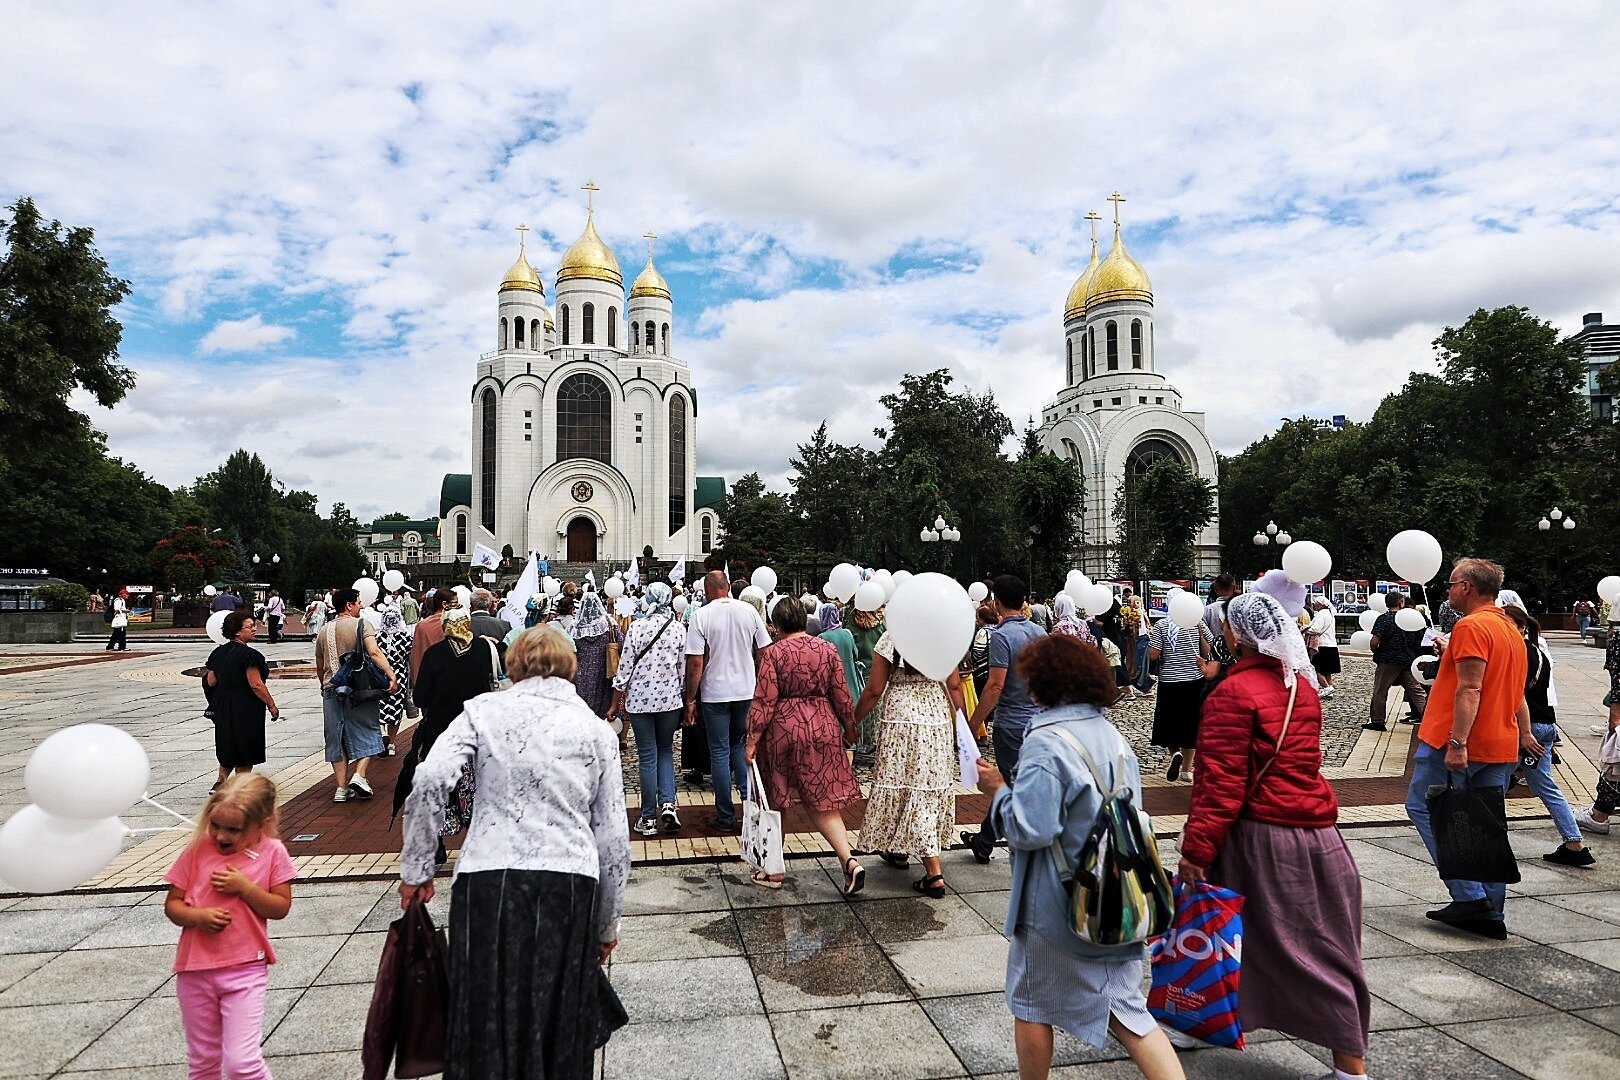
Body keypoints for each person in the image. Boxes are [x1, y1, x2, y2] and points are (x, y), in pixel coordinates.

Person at [399, 626, 629, 1078]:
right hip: (567, 878)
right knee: (560, 1019)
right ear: (571, 665)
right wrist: (607, 922)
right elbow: (613, 839)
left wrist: (419, 868)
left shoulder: (482, 711)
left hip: (488, 874)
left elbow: (427, 779)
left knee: (483, 1013)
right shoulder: (595, 730)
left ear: (513, 664)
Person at [1178, 592, 1371, 1080]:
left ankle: (1352, 1068)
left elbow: (1219, 784)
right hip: (1317, 831)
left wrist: (1196, 850)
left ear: (1237, 635)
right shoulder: (1300, 687)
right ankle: (1200, 1017)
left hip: (1262, 836)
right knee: (1284, 939)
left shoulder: (1232, 694)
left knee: (1287, 947)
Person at [976, 636, 1185, 1080]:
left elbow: (1031, 829)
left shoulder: (1046, 742)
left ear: (1044, 683)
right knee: (1129, 1013)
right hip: (1119, 889)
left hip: (1059, 901)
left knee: (1032, 1003)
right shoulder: (1111, 735)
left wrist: (998, 793)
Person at [1405, 558, 1535, 939]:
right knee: (1487, 824)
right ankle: (1491, 909)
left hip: (1460, 742)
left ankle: (1469, 897)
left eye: (1451, 583)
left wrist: (1457, 742)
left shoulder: (1472, 626)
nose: (1447, 590)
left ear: (1467, 587)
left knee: (1428, 809)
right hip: (1500, 741)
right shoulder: (1510, 627)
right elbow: (1507, 687)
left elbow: (1471, 688)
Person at [164, 773, 296, 1080]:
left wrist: (245, 888)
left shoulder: (273, 852)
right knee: (203, 1062)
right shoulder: (197, 849)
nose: (222, 836)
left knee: (241, 1063)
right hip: (195, 971)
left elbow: (280, 908)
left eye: (234, 830)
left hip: (245, 970)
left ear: (261, 824)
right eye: (216, 826)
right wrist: (197, 917)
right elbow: (173, 905)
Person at [746, 597, 865, 892]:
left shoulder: (773, 655)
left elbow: (764, 701)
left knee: (778, 799)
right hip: (823, 725)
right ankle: (849, 860)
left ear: (776, 625)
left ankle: (773, 869)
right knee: (822, 799)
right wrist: (850, 728)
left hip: (784, 730)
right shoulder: (827, 649)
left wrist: (751, 741)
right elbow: (841, 693)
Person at [853, 625, 965, 896]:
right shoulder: (943, 637)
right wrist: (964, 728)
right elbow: (954, 684)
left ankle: (934, 873)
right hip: (936, 716)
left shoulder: (893, 637)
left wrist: (852, 721)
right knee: (925, 786)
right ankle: (898, 849)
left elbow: (874, 689)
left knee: (901, 783)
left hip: (900, 717)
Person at [1494, 601, 1593, 867]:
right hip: (1545, 725)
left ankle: (1491, 844)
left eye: (1507, 626)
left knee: (1495, 783)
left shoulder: (1517, 653)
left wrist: (1523, 732)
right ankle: (1574, 844)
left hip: (1526, 729)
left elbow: (1516, 696)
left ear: (1521, 627)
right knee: (1542, 786)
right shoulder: (1538, 652)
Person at [962, 575, 1047, 863]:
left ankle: (1011, 842)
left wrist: (973, 724)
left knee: (1012, 786)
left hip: (1011, 724)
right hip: (1037, 720)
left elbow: (995, 685)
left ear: (996, 601)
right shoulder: (1039, 633)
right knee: (1019, 783)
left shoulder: (1000, 636)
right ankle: (984, 841)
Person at [684, 570, 772, 829]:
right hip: (745, 690)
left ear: (707, 590)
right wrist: (760, 683)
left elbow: (695, 662)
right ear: (729, 587)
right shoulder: (749, 611)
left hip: (715, 693)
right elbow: (764, 652)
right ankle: (750, 807)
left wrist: (690, 699)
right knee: (739, 747)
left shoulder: (701, 615)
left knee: (719, 752)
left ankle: (725, 816)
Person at [612, 583, 688, 836]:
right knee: (665, 750)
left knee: (647, 756)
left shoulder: (636, 627)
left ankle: (648, 819)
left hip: (640, 701)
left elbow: (624, 670)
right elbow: (682, 669)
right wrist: (685, 696)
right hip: (669, 701)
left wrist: (615, 702)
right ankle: (668, 804)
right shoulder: (678, 629)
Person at [313, 587, 397, 803]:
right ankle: (359, 775)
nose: (361, 606)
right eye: (358, 602)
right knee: (368, 728)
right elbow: (375, 652)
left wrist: (324, 685)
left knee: (336, 737)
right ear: (349, 605)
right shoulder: (361, 625)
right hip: (358, 689)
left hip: (332, 688)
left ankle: (341, 788)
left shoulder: (324, 630)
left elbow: (320, 665)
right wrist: (390, 675)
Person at [203, 610, 281, 792]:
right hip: (245, 705)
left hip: (223, 704)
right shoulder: (249, 656)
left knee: (228, 742)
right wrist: (271, 705)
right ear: (237, 631)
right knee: (246, 746)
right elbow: (255, 684)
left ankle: (221, 781)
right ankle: (241, 787)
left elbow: (210, 680)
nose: (254, 629)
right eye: (250, 626)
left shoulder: (218, 653)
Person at [1148, 606, 1208, 783]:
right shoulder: (1197, 623)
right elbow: (1207, 649)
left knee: (1169, 720)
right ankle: (1187, 770)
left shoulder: (1162, 625)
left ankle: (1175, 752)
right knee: (1191, 722)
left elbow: (1153, 654)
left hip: (1169, 682)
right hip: (1194, 681)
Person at [1576, 610, 1620, 835]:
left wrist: (1615, 717)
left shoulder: (1618, 640)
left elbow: (1619, 681)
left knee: (1614, 763)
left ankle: (1599, 815)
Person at [1364, 591, 1426, 732]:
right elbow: (1420, 640)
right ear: (1401, 603)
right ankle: (1430, 718)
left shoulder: (1383, 619)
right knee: (1416, 691)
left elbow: (1375, 640)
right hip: (1407, 659)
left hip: (1388, 660)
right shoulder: (1411, 618)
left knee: (1380, 691)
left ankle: (1378, 721)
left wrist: (1376, 651)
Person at [572, 591, 622, 720]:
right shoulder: (609, 624)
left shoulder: (574, 628)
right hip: (604, 671)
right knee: (602, 711)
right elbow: (622, 644)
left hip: (581, 674)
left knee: (582, 711)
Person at [375, 606, 413, 758]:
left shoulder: (377, 637)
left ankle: (382, 734)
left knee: (380, 707)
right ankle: (391, 742)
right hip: (399, 677)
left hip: (380, 675)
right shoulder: (405, 638)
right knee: (396, 710)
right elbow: (410, 659)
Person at [1306, 597, 1341, 699]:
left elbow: (1316, 629)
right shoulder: (1330, 614)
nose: (1314, 605)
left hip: (1322, 645)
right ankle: (1329, 689)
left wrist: (1305, 630)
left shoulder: (1321, 614)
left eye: (1316, 604)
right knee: (1327, 671)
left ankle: (1327, 688)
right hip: (1331, 645)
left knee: (1316, 669)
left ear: (1321, 605)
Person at [105, 587, 129, 651]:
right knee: (121, 633)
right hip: (119, 619)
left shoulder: (122, 600)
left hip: (120, 618)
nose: (128, 596)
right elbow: (116, 609)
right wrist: (125, 611)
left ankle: (110, 646)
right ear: (123, 595)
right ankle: (122, 646)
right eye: (127, 594)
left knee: (116, 634)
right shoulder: (118, 600)